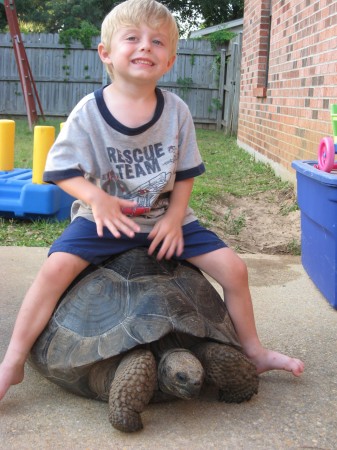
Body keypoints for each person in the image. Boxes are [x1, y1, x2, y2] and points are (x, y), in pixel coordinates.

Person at [0, 0, 304, 402]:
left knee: (234, 268)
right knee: (54, 270)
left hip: (164, 218)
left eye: (157, 41)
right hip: (103, 221)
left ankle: (253, 349)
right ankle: (14, 360)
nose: (146, 46)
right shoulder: (89, 112)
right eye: (133, 38)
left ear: (170, 60)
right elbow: (59, 171)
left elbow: (185, 174)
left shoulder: (176, 112)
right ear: (106, 53)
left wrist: (176, 217)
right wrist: (97, 199)